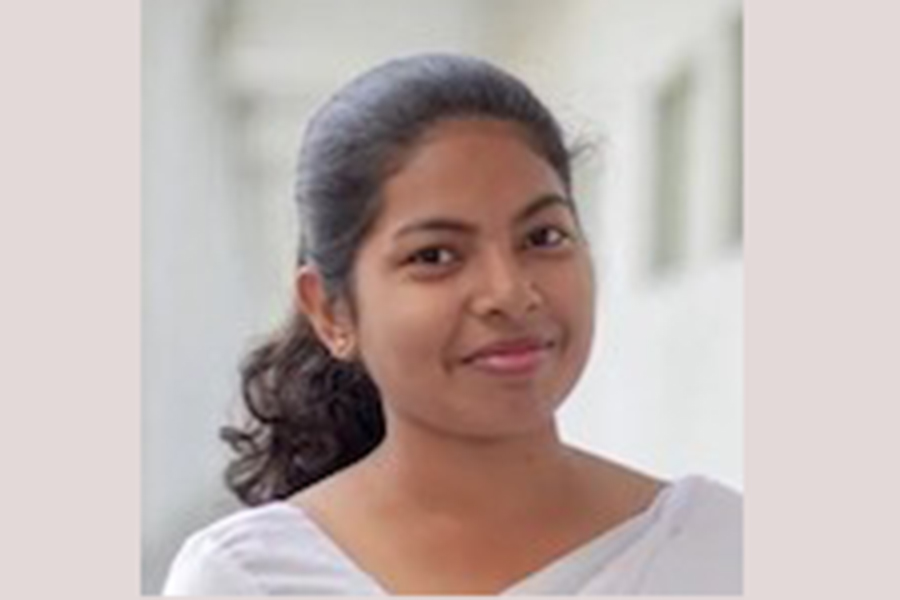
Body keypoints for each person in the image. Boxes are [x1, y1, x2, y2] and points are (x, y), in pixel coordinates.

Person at [162, 53, 742, 595]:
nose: (511, 293)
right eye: (435, 256)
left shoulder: (719, 550)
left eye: (544, 238)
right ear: (331, 310)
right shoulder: (249, 579)